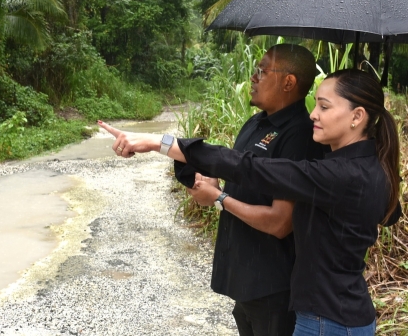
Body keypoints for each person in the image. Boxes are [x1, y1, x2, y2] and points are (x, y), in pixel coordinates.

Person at [98, 68, 403, 335]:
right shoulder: (367, 166)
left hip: (329, 322)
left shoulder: (343, 174)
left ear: (357, 116)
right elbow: (388, 214)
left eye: (324, 106)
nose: (313, 113)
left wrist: (158, 143)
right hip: (334, 314)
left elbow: (251, 168)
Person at [184, 44, 327, 336]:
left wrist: (220, 199)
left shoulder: (299, 136)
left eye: (262, 70)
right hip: (245, 279)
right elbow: (242, 184)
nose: (253, 77)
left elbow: (280, 222)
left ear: (289, 82)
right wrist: (212, 185)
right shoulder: (256, 123)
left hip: (272, 286)